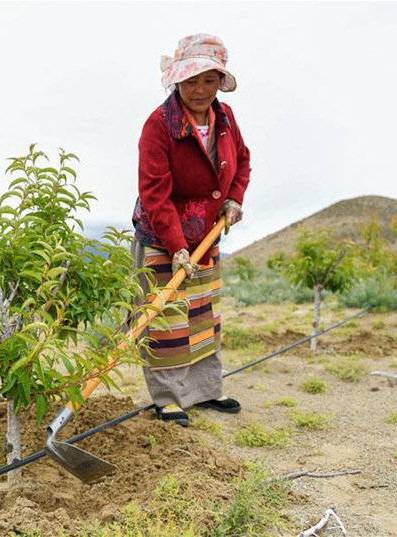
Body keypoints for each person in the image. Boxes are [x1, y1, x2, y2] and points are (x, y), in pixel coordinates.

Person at [131, 33, 251, 426]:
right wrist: (176, 245)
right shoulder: (158, 125)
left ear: (220, 80)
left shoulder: (226, 117)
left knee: (202, 318)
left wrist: (234, 199)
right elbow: (154, 193)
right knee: (167, 321)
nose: (199, 90)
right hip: (164, 237)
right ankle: (167, 398)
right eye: (191, 81)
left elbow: (243, 162)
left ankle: (205, 392)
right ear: (177, 81)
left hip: (208, 235)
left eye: (208, 80)